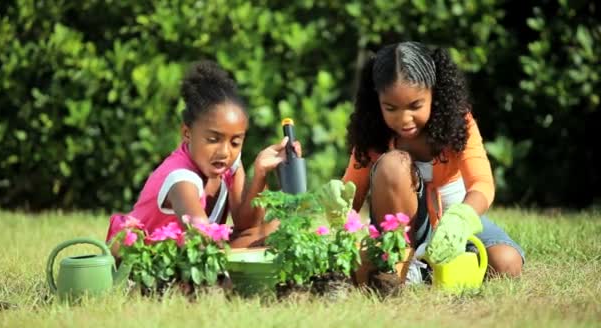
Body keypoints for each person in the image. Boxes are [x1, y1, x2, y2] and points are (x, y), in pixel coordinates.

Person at [343, 42, 524, 277]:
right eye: (391, 108)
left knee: (506, 264)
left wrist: (462, 218)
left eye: (415, 106)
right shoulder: (373, 131)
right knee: (393, 165)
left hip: (453, 225)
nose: (404, 119)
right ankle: (400, 268)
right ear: (377, 101)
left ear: (434, 93)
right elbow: (351, 193)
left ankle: (429, 268)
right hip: (399, 231)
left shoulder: (458, 123)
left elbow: (482, 184)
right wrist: (338, 216)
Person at [106, 61, 300, 250]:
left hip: (192, 252)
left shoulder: (229, 164)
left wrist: (260, 173)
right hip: (148, 258)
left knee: (271, 230)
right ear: (187, 133)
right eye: (213, 139)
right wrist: (261, 241)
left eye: (235, 142)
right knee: (272, 233)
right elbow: (201, 242)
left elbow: (246, 225)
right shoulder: (181, 179)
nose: (224, 152)